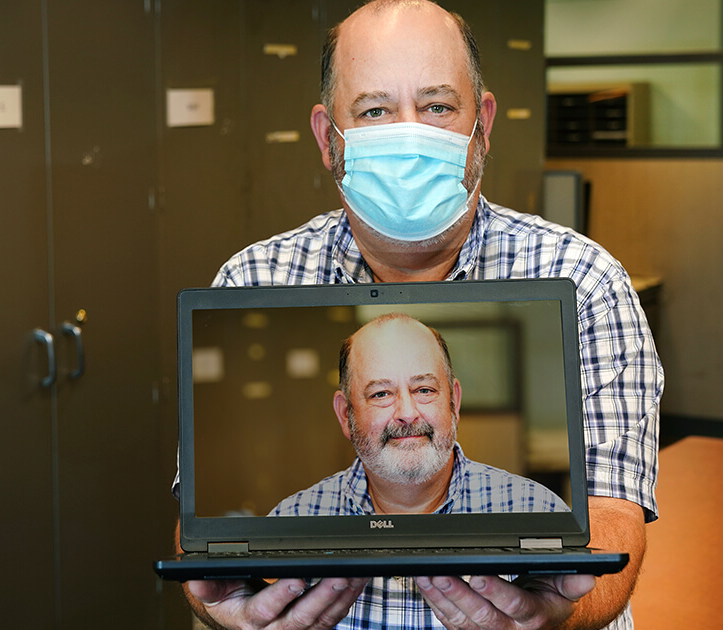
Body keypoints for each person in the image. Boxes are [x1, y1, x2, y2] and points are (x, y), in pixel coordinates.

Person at [178, 1, 663, 628]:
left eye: (437, 106)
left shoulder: (587, 282)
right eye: (375, 111)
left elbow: (614, 519)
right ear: (330, 140)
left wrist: (556, 619)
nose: (410, 135)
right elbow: (200, 535)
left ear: (482, 124)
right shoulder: (253, 280)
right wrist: (227, 611)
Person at [271, 312, 566, 519]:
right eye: (381, 394)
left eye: (424, 390)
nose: (408, 414)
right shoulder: (292, 522)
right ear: (345, 414)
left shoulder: (535, 511)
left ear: (455, 401)